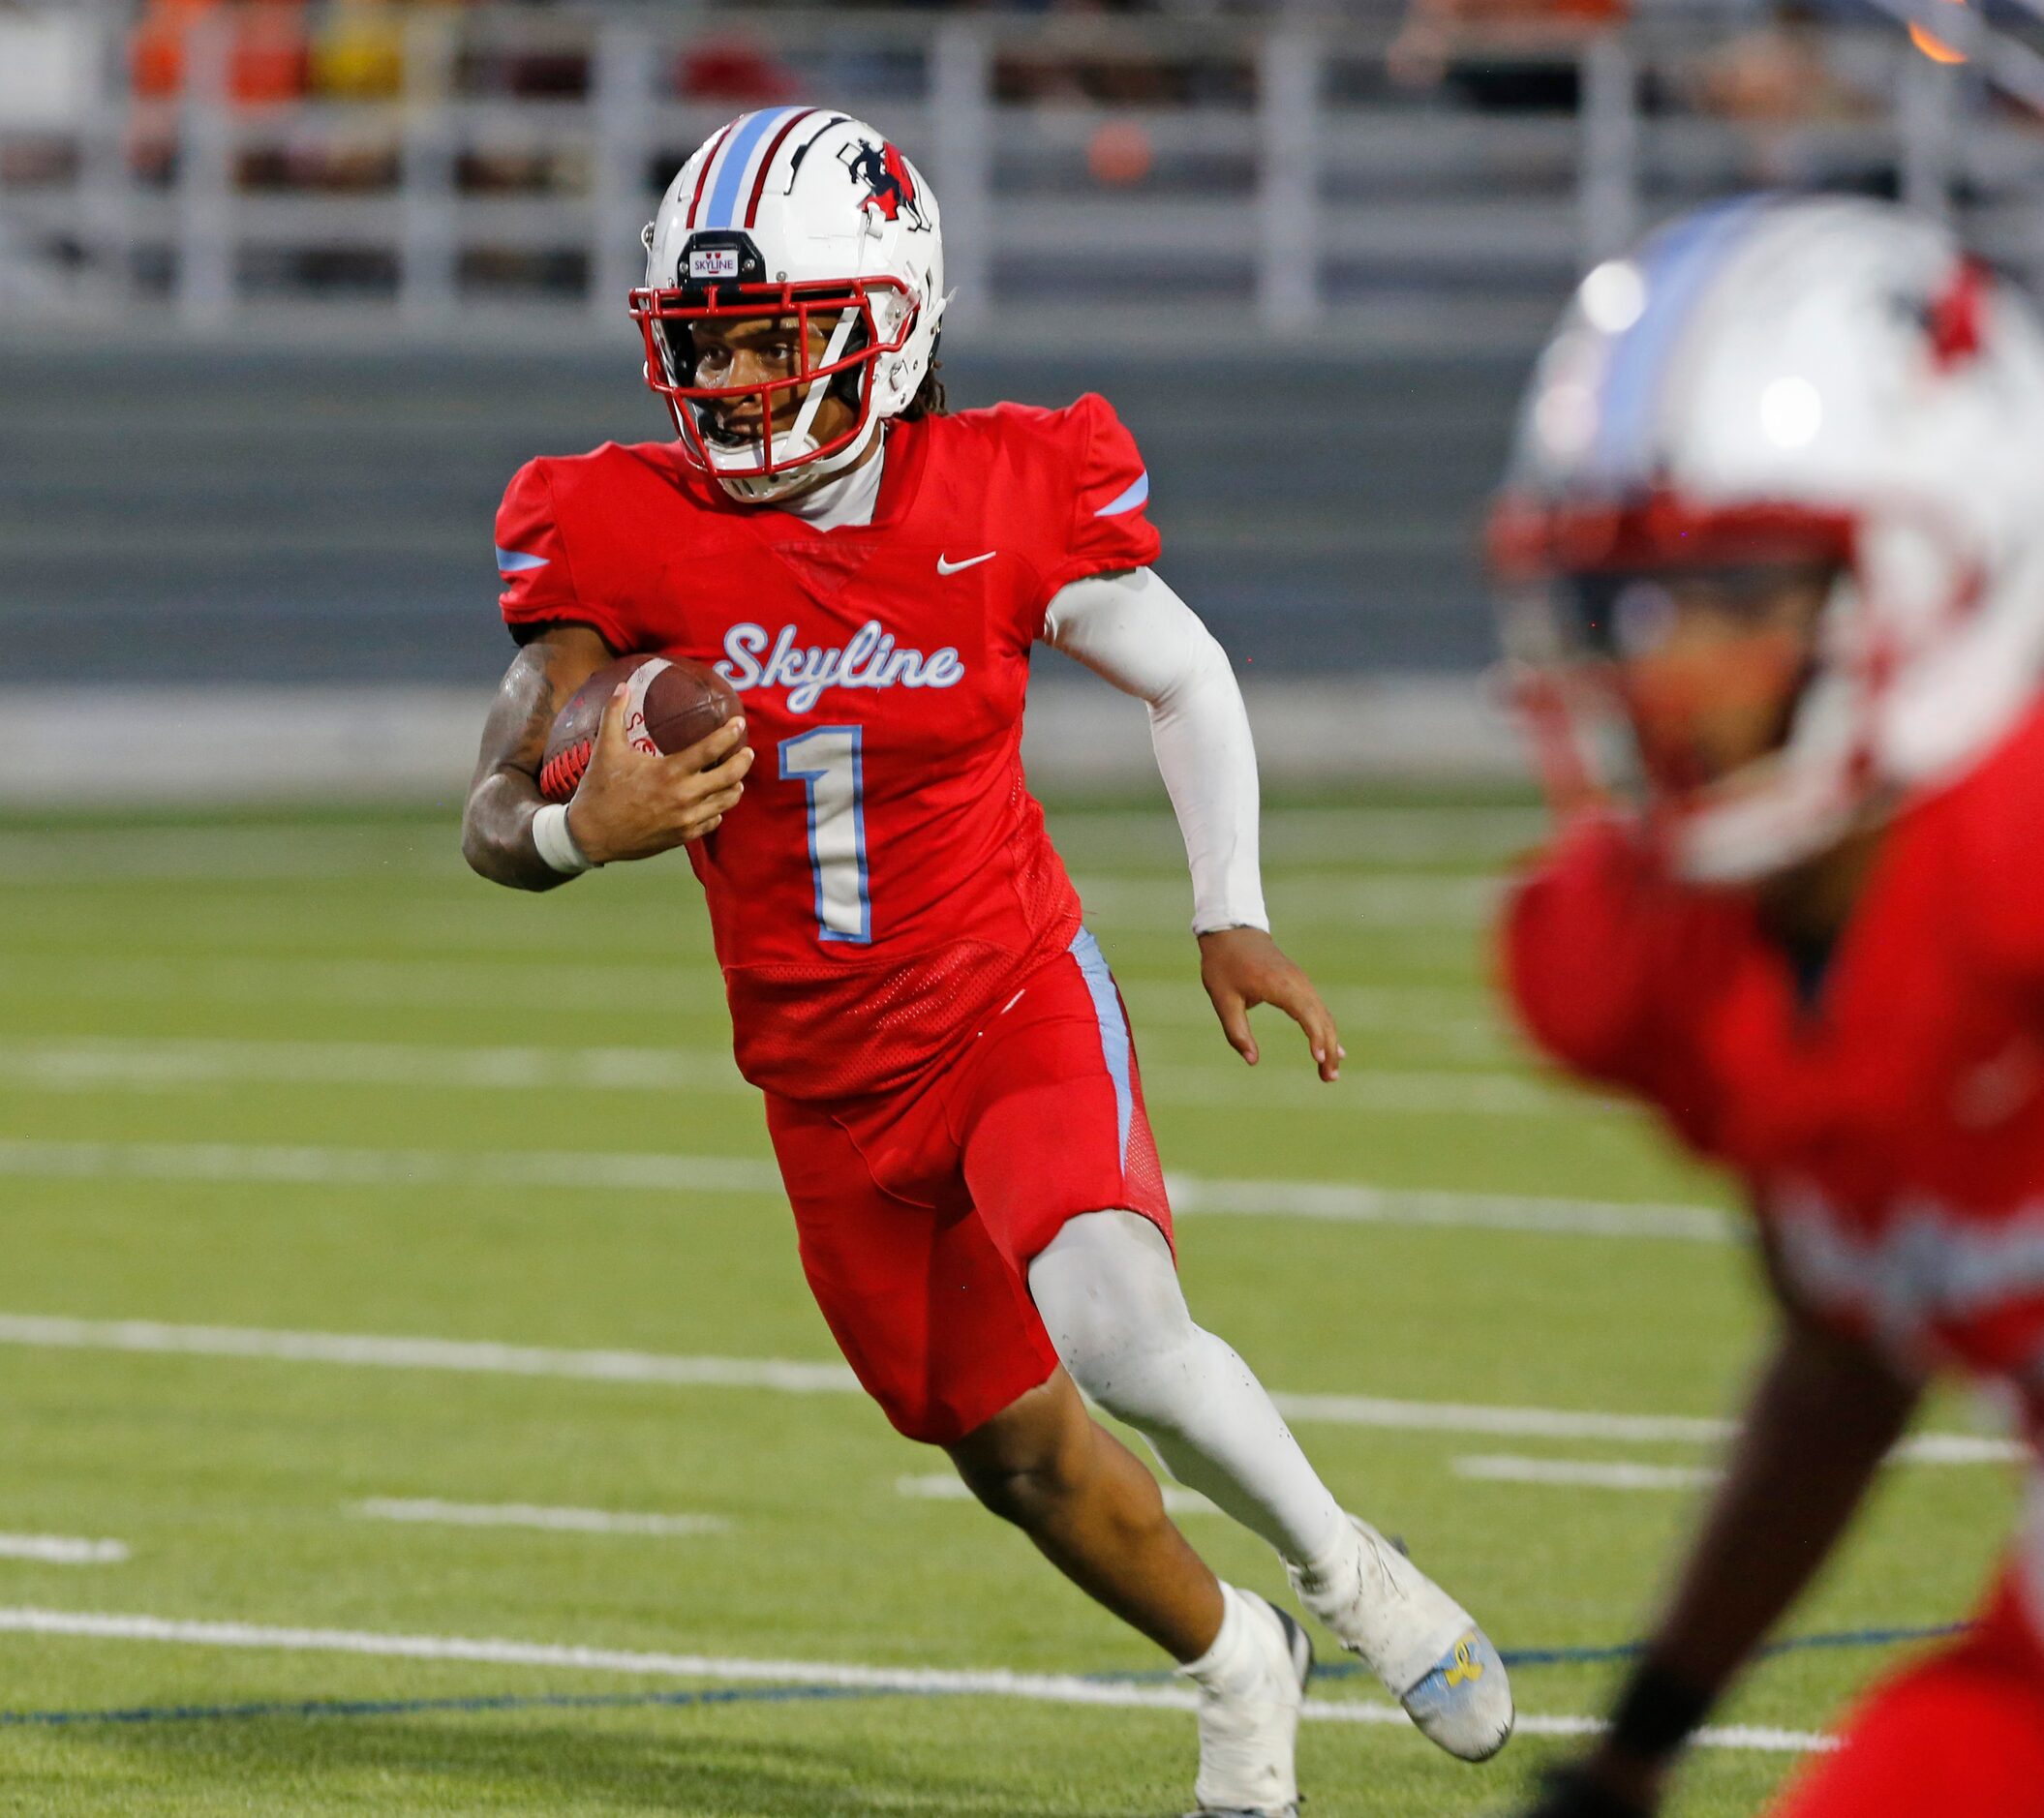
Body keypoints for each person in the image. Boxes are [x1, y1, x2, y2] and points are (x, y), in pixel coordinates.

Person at [460, 106, 1512, 1816]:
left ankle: (1353, 1575)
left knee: (1118, 1319)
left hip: (1012, 994)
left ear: (890, 323)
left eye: (771, 339)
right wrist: (597, 825)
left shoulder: (1005, 489)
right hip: (821, 1086)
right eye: (702, 343)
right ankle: (1243, 1659)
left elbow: (1187, 676)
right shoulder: (626, 530)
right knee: (1017, 1459)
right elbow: (495, 808)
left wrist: (1225, 904)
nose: (726, 381)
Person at [1488, 195, 2044, 1818]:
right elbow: (1848, 1345)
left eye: (1739, 592)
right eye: (1631, 604)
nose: (1666, 671)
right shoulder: (1689, 957)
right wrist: (1648, 1735)